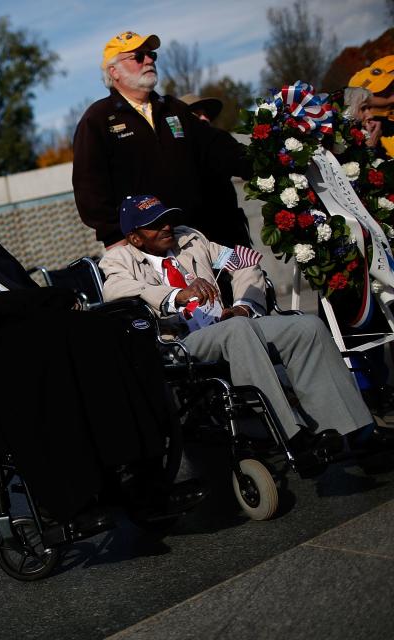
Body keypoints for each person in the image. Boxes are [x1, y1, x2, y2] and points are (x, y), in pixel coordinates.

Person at [0, 176, 207, 532]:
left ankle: (145, 488)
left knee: (111, 332)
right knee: (3, 330)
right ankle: (69, 502)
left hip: (37, 336)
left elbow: (33, 298)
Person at [100, 195, 394, 470]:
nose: (166, 227)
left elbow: (244, 263)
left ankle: (355, 430)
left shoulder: (190, 239)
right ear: (134, 237)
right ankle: (292, 437)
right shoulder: (118, 260)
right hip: (181, 343)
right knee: (237, 330)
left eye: (166, 219)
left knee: (307, 326)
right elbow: (115, 291)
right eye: (154, 224)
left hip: (230, 323)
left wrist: (242, 305)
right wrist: (176, 294)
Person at [71, 31, 250, 248]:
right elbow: (89, 187)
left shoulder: (174, 108)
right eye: (138, 56)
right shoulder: (98, 119)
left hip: (197, 236)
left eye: (151, 55)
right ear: (114, 71)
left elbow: (218, 148)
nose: (148, 60)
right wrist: (114, 236)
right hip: (142, 245)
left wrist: (264, 161)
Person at [178, 94, 252, 248]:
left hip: (230, 235)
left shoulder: (217, 141)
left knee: (247, 272)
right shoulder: (171, 154)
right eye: (197, 114)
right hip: (193, 243)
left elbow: (246, 163)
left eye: (206, 114)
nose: (204, 118)